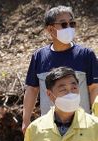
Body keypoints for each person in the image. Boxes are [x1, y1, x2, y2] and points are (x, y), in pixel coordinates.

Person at [22, 5, 98, 133]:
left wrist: (96, 119)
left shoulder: (86, 55)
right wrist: (25, 121)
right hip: (49, 129)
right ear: (50, 29)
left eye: (72, 23)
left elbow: (95, 88)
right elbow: (32, 89)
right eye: (63, 24)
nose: (69, 28)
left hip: (81, 127)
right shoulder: (39, 56)